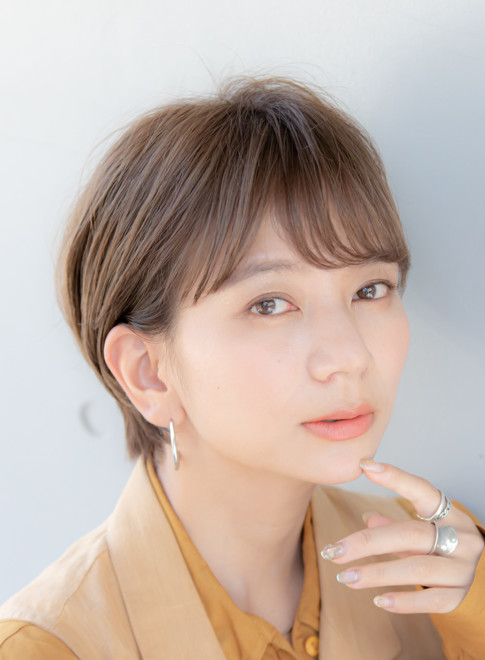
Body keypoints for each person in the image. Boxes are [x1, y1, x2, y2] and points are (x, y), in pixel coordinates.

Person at [0, 77, 483, 660]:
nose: (350, 355)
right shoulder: (49, 646)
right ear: (148, 372)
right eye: (270, 304)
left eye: (371, 289)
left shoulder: (439, 573)